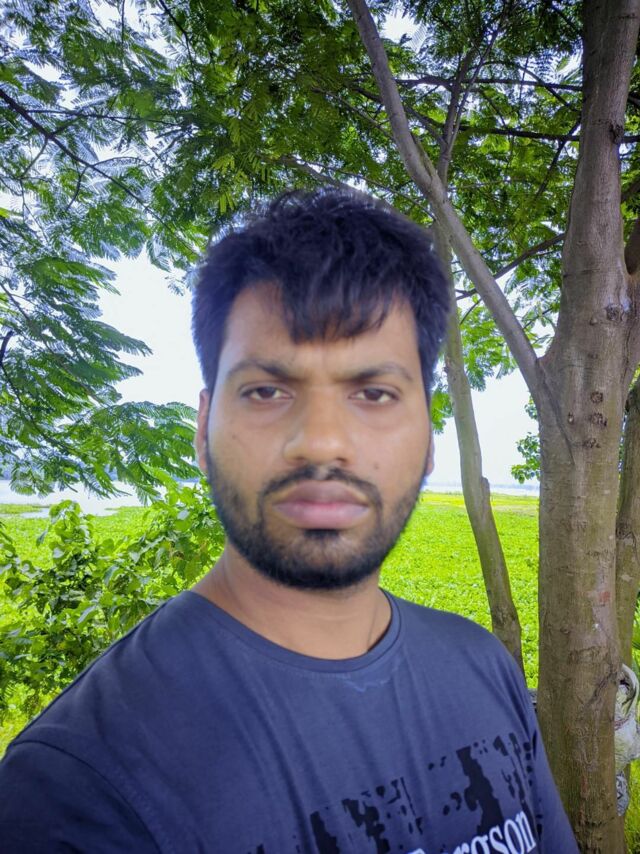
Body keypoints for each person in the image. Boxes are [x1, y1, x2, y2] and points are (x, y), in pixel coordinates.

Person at [0, 190, 577, 853]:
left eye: (374, 393)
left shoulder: (481, 667)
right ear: (202, 429)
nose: (321, 443)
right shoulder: (78, 785)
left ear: (428, 436)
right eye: (267, 391)